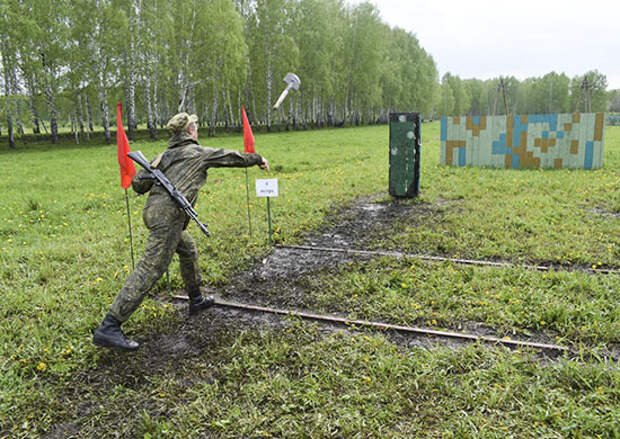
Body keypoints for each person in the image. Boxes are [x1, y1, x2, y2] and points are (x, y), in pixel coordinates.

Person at [93, 112, 269, 351]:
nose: (197, 130)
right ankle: (110, 326)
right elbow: (231, 157)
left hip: (154, 213)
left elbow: (138, 185)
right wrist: (257, 158)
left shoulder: (162, 157)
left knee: (187, 249)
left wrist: (153, 170)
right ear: (190, 132)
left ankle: (195, 298)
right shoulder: (198, 153)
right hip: (169, 217)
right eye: (195, 127)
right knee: (150, 268)